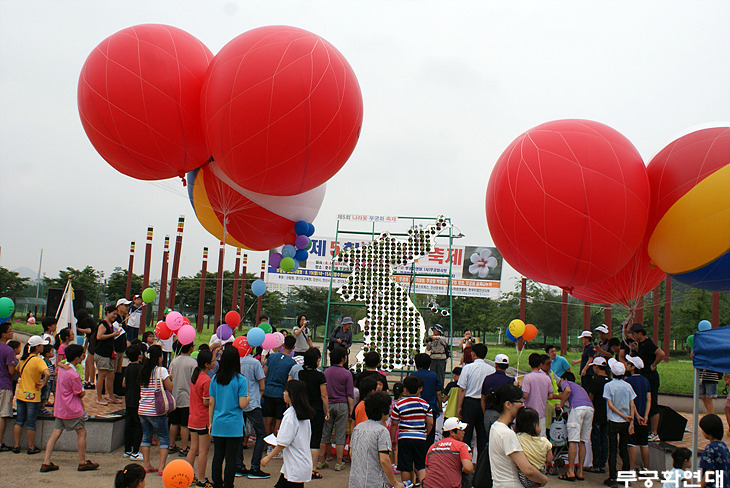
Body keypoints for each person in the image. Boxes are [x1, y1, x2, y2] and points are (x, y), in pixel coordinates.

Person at [39, 344, 99, 473]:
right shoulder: (74, 375)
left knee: (55, 434)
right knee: (81, 433)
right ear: (77, 358)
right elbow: (79, 393)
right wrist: (83, 391)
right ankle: (82, 462)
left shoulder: (62, 369)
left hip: (60, 408)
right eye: (81, 356)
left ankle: (46, 461)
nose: (82, 357)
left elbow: (60, 364)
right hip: (73, 409)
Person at [487, 384, 548, 488]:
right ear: (508, 404)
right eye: (520, 401)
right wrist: (544, 480)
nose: (523, 405)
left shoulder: (495, 427)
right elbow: (528, 470)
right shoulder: (507, 433)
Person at [209, 346, 249, 488]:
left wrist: (210, 423)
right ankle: (228, 484)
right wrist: (248, 398)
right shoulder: (241, 380)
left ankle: (217, 483)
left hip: (218, 422)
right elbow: (242, 404)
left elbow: (211, 402)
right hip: (234, 424)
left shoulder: (215, 378)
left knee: (218, 456)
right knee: (231, 458)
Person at [261, 380, 314, 488]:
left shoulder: (290, 416)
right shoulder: (304, 414)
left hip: (295, 464)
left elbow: (283, 443)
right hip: (297, 462)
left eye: (286, 391)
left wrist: (268, 457)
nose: (283, 393)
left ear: (292, 395)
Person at [349, 391, 404, 488]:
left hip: (355, 480)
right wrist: (394, 482)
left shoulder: (358, 428)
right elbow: (384, 460)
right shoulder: (382, 431)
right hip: (373, 482)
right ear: (383, 411)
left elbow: (351, 452)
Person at [390, 375, 433, 486]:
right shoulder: (425, 404)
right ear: (419, 389)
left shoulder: (400, 404)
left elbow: (394, 423)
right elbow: (430, 422)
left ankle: (407, 485)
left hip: (404, 438)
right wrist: (425, 433)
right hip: (420, 438)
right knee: (420, 465)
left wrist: (392, 438)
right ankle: (424, 485)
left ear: (405, 390)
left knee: (405, 466)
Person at [626, 324, 665, 441]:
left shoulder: (647, 343)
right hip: (644, 376)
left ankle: (655, 432)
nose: (632, 336)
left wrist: (653, 364)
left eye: (634, 334)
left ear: (639, 333)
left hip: (650, 377)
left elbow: (661, 353)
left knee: (652, 402)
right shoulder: (640, 344)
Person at [318, 346, 354, 472]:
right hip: (342, 405)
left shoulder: (326, 372)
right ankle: (339, 462)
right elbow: (350, 394)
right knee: (340, 434)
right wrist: (351, 410)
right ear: (343, 359)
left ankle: (320, 460)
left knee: (325, 433)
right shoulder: (347, 373)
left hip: (328, 404)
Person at [138, 344, 173, 474]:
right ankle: (162, 467)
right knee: (164, 437)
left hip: (143, 409)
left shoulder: (143, 370)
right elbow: (170, 387)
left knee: (146, 436)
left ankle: (146, 465)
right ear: (159, 357)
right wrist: (169, 378)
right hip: (156, 410)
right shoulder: (161, 370)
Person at [13, 335, 51, 454]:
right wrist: (43, 384)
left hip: (21, 394)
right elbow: (47, 374)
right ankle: (31, 447)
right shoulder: (38, 360)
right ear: (37, 347)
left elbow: (17, 370)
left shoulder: (23, 359)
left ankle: (16, 445)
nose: (43, 347)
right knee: (30, 422)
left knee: (19, 421)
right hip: (33, 396)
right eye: (41, 345)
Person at [603, 358, 636, 487]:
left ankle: (613, 477)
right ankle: (626, 477)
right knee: (624, 449)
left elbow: (610, 405)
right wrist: (630, 420)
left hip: (613, 420)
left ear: (612, 373)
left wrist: (622, 415)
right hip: (625, 422)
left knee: (613, 450)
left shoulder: (608, 386)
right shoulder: (628, 386)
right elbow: (632, 404)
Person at [555, 371, 594, 481]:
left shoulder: (566, 383)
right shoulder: (579, 387)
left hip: (578, 409)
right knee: (582, 441)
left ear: (565, 379)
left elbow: (567, 390)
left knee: (573, 440)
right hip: (590, 409)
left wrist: (561, 404)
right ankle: (580, 471)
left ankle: (571, 471)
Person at [239, 343, 269, 480]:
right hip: (252, 402)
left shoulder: (237, 361)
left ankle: (238, 466)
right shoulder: (255, 363)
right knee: (261, 434)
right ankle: (255, 467)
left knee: (239, 434)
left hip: (239, 402)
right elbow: (262, 385)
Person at [297, 347, 328, 480]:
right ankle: (312, 469)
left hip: (303, 409)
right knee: (315, 439)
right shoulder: (320, 376)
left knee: (303, 438)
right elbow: (324, 395)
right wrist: (327, 410)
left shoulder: (301, 374)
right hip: (317, 410)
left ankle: (301, 466)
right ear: (316, 360)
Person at [456, 342, 494, 453]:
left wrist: (459, 406)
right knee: (482, 434)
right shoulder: (491, 369)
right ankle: (481, 461)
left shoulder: (468, 368)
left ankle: (465, 458)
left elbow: (462, 389)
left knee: (466, 433)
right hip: (484, 403)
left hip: (469, 403)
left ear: (474, 354)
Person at [187, 349, 214, 487]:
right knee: (203, 450)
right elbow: (206, 401)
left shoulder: (195, 376)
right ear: (207, 365)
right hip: (203, 419)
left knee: (193, 448)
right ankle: (202, 479)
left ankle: (188, 475)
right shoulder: (207, 380)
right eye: (213, 361)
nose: (215, 362)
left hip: (193, 418)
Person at [424, 417, 474, 488]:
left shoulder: (432, 447)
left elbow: (427, 469)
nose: (463, 432)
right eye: (461, 430)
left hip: (429, 486)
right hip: (450, 486)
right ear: (452, 432)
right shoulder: (461, 446)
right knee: (468, 476)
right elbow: (468, 468)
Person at [263, 334, 296, 436]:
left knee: (268, 420)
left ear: (283, 345)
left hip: (268, 391)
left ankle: (266, 441)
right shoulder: (292, 363)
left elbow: (265, 373)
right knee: (278, 421)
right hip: (280, 394)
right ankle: (275, 442)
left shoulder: (272, 357)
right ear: (293, 347)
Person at [168, 341, 197, 456]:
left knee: (174, 422)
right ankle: (184, 448)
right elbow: (195, 380)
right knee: (185, 424)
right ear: (190, 348)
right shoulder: (192, 362)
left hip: (174, 396)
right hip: (187, 397)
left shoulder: (174, 361)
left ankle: (171, 445)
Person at [514, 407, 552, 487]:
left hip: (523, 476)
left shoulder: (518, 437)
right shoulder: (545, 442)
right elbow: (549, 459)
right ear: (534, 425)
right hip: (539, 474)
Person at [624, 355, 651, 471]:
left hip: (633, 418)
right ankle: (645, 468)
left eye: (628, 363)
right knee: (644, 444)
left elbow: (631, 402)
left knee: (632, 444)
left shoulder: (628, 382)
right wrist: (645, 416)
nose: (626, 364)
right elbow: (649, 399)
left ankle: (631, 469)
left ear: (633, 367)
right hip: (644, 418)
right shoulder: (645, 381)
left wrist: (637, 415)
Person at [481, 353, 515, 439]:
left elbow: (483, 398)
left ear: (495, 365)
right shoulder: (509, 381)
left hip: (489, 412)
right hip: (504, 414)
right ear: (507, 366)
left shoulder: (488, 378)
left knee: (490, 439)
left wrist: (485, 413)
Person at [412, 353, 442, 446]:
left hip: (415, 408)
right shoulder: (434, 375)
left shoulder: (413, 375)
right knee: (430, 435)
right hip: (431, 408)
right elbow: (438, 393)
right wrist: (440, 407)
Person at [586, 356, 610, 474]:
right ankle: (602, 464)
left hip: (596, 414)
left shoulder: (595, 381)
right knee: (605, 439)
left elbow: (590, 397)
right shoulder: (610, 381)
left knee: (596, 440)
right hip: (608, 414)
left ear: (596, 367)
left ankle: (596, 464)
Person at [96, 305, 124, 405]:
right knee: (102, 375)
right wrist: (112, 335)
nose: (115, 316)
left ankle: (111, 396)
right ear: (108, 313)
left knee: (111, 375)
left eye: (116, 314)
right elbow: (99, 336)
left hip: (109, 353)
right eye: (113, 314)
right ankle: (99, 397)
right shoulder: (103, 324)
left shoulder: (111, 324)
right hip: (102, 353)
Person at [521, 353, 553, 437]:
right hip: (542, 413)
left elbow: (525, 395)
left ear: (529, 363)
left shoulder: (527, 377)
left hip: (529, 413)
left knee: (529, 437)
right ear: (540, 364)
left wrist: (518, 389)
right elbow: (551, 396)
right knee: (541, 437)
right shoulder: (546, 378)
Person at [123, 344, 144, 460]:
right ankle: (135, 451)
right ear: (139, 355)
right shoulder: (140, 368)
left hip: (128, 399)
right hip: (138, 400)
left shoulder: (128, 368)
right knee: (138, 426)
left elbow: (123, 384)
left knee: (128, 425)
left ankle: (127, 449)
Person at [698, 414, 730, 488]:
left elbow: (709, 471)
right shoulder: (723, 446)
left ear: (708, 431)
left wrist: (701, 485)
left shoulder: (710, 448)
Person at [0, 323, 16, 451]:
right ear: (3, 334)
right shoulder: (8, 350)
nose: (12, 333)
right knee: (2, 414)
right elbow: (11, 371)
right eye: (10, 331)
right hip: (4, 384)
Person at [114, 298, 131, 374]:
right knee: (114, 370)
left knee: (119, 370)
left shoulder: (124, 318)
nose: (127, 308)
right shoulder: (115, 318)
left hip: (121, 348)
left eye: (128, 306)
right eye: (125, 305)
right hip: (115, 348)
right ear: (119, 307)